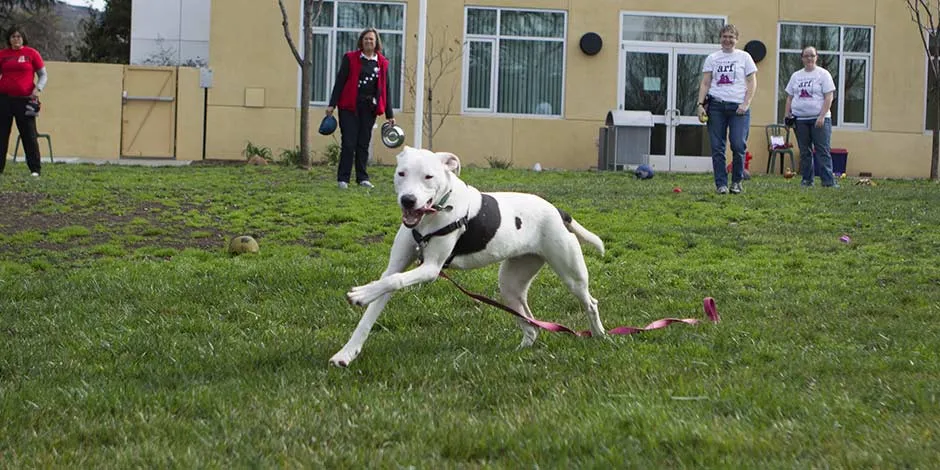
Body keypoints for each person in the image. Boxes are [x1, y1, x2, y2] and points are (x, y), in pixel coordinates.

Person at [326, 27, 395, 189]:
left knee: (363, 143)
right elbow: (340, 82)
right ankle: (343, 179)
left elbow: (386, 89)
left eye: (371, 39)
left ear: (376, 42)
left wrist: (389, 114)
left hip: (369, 108)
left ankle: (362, 178)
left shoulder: (382, 63)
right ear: (361, 42)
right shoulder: (350, 58)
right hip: (349, 107)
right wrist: (332, 104)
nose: (368, 42)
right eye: (365, 39)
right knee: (349, 143)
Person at [697, 24, 757, 195]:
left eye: (731, 37)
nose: (728, 40)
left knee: (738, 145)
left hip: (738, 108)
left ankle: (737, 182)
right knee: (717, 147)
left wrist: (746, 103)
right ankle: (721, 184)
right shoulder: (712, 58)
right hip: (716, 107)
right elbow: (706, 83)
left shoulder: (744, 57)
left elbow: (752, 82)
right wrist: (700, 105)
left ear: (736, 39)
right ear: (720, 38)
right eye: (725, 36)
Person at [784, 46, 838, 188]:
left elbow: (829, 97)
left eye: (812, 56)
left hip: (819, 119)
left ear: (816, 57)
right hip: (800, 120)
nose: (809, 58)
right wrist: (787, 115)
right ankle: (807, 181)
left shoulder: (823, 74)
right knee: (804, 152)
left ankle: (828, 182)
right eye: (806, 56)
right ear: (802, 58)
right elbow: (789, 97)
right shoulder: (796, 76)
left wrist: (821, 116)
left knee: (822, 150)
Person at [0, 26, 47, 177]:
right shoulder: (3, 55)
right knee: (2, 134)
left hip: (25, 100)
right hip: (4, 99)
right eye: (13, 36)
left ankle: (35, 169)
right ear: (9, 39)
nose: (16, 39)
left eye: (19, 36)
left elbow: (43, 75)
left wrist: (37, 89)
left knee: (29, 134)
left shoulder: (31, 53)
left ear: (23, 38)